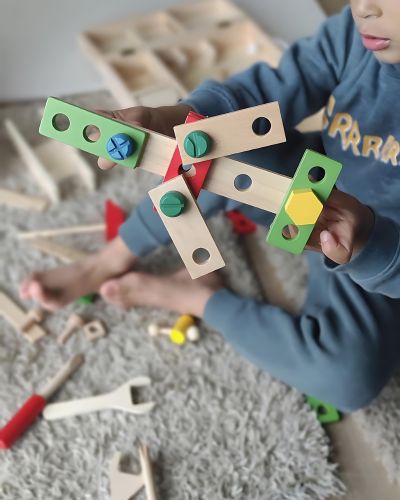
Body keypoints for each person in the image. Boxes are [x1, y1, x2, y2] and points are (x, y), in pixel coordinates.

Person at [20, 0, 400, 411]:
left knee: (347, 378)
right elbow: (263, 93)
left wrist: (368, 247)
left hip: (373, 254)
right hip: (311, 185)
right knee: (212, 145)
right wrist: (177, 118)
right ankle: (110, 258)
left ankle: (199, 297)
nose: (363, 7)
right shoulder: (358, 33)